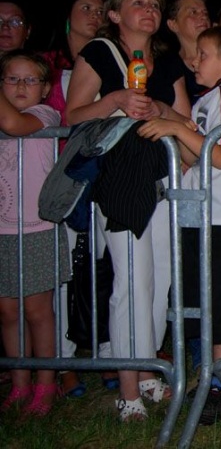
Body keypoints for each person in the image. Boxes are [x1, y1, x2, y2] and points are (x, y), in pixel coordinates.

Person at [66, 0, 192, 422]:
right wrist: (116, 98)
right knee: (131, 286)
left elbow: (187, 121)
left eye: (155, 4)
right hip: (119, 184)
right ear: (116, 14)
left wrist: (162, 112)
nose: (150, 10)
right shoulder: (99, 54)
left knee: (159, 282)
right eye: (138, 3)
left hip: (159, 181)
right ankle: (127, 388)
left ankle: (148, 373)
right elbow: (73, 115)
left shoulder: (169, 61)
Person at [137, 25, 221, 425]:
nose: (195, 60)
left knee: (220, 308)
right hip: (195, 217)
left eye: (203, 54)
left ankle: (217, 385)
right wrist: (173, 122)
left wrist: (176, 128)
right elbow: (193, 154)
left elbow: (218, 156)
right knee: (197, 303)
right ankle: (203, 377)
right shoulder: (206, 99)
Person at [41, 0, 116, 397]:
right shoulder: (49, 67)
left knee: (103, 267)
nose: (93, 14)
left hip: (99, 178)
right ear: (67, 17)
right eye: (84, 8)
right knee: (62, 271)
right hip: (60, 180)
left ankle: (105, 350)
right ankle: (63, 360)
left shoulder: (110, 62)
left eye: (99, 8)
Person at [0, 51, 69, 417]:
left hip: (36, 228)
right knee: (8, 310)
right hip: (2, 230)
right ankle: (19, 382)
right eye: (12, 79)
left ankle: (46, 383)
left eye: (30, 80)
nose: (22, 86)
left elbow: (13, 124)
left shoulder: (45, 115)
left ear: (45, 89)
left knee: (38, 310)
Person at [166, 0, 212, 103]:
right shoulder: (167, 68)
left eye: (205, 12)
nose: (203, 16)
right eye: (194, 12)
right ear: (173, 24)